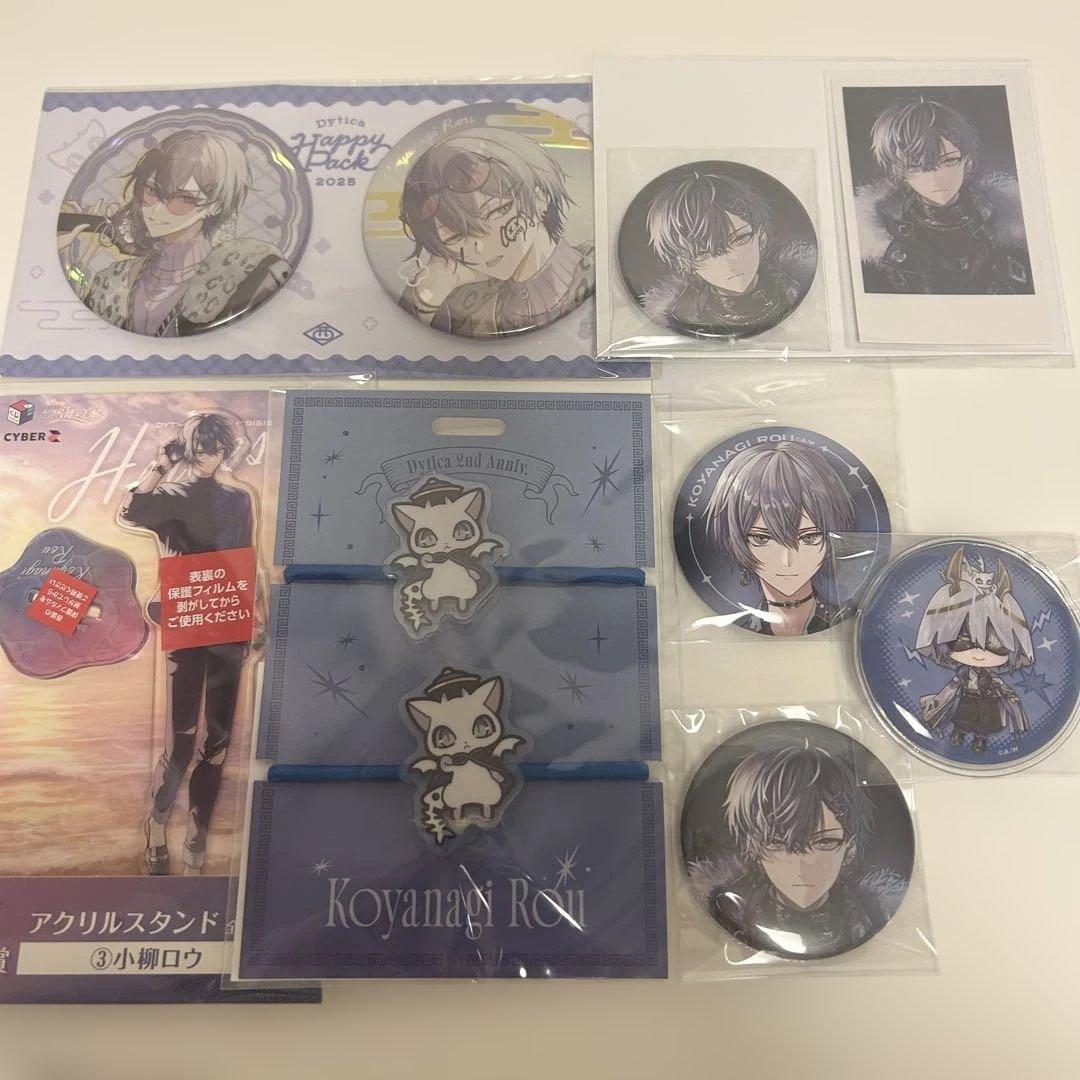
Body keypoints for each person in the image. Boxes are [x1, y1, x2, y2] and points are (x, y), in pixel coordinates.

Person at [119, 412, 258, 874]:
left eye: (215, 446)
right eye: (201, 444)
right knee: (181, 742)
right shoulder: (171, 496)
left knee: (216, 740)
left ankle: (197, 836)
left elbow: (245, 559)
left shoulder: (238, 499)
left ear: (225, 450)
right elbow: (131, 511)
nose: (207, 453)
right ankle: (158, 827)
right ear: (190, 447)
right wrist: (161, 463)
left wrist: (254, 615)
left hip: (226, 621)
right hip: (188, 620)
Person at [59, 129, 291, 336]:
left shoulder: (247, 271)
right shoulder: (111, 281)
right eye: (151, 191)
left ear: (216, 206)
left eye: (183, 199)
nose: (157, 211)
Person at [397, 128, 593, 337]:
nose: (479, 246)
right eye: (455, 237)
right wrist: (428, 293)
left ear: (540, 199)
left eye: (496, 211)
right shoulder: (460, 309)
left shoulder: (599, 264)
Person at [711, 743, 878, 956]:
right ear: (752, 847)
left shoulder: (864, 918)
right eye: (777, 843)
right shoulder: (732, 911)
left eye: (825, 842)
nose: (801, 867)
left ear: (850, 847)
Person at [862, 97, 1033, 294]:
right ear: (899, 172)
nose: (936, 177)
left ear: (967, 161)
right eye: (917, 167)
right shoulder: (877, 241)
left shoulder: (1012, 227)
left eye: (949, 161)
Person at [704, 441, 855, 635]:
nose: (787, 560)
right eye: (762, 539)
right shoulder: (737, 632)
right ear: (735, 542)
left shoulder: (850, 620)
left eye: (809, 537)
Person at [640, 169, 805, 337]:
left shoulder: (796, 288)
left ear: (761, 236)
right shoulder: (679, 318)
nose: (730, 261)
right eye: (704, 253)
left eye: (740, 238)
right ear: (685, 264)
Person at [916, 548, 1034, 752]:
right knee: (963, 719)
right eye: (965, 643)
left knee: (986, 724)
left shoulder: (991, 675)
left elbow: (1001, 685)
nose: (979, 653)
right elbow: (952, 687)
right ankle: (958, 733)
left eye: (994, 647)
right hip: (967, 701)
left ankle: (981, 739)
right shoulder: (964, 672)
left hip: (988, 703)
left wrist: (1011, 696)